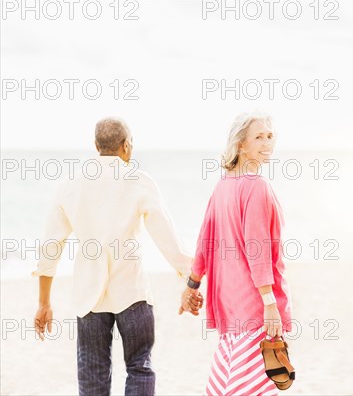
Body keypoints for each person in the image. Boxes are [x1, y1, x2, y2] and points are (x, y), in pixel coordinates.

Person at [33, 117, 193, 396]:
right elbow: (168, 240)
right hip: (133, 293)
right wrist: (191, 280)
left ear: (95, 146)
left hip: (89, 299)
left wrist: (44, 303)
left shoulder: (71, 183)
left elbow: (50, 246)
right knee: (139, 367)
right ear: (126, 146)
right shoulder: (140, 181)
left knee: (92, 374)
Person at [179, 112, 292, 395]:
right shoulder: (256, 185)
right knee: (250, 389)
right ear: (241, 145)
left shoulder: (223, 185)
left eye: (269, 136)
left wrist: (191, 285)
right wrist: (269, 303)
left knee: (228, 386)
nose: (268, 143)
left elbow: (204, 241)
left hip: (229, 308)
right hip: (253, 308)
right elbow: (258, 250)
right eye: (258, 137)